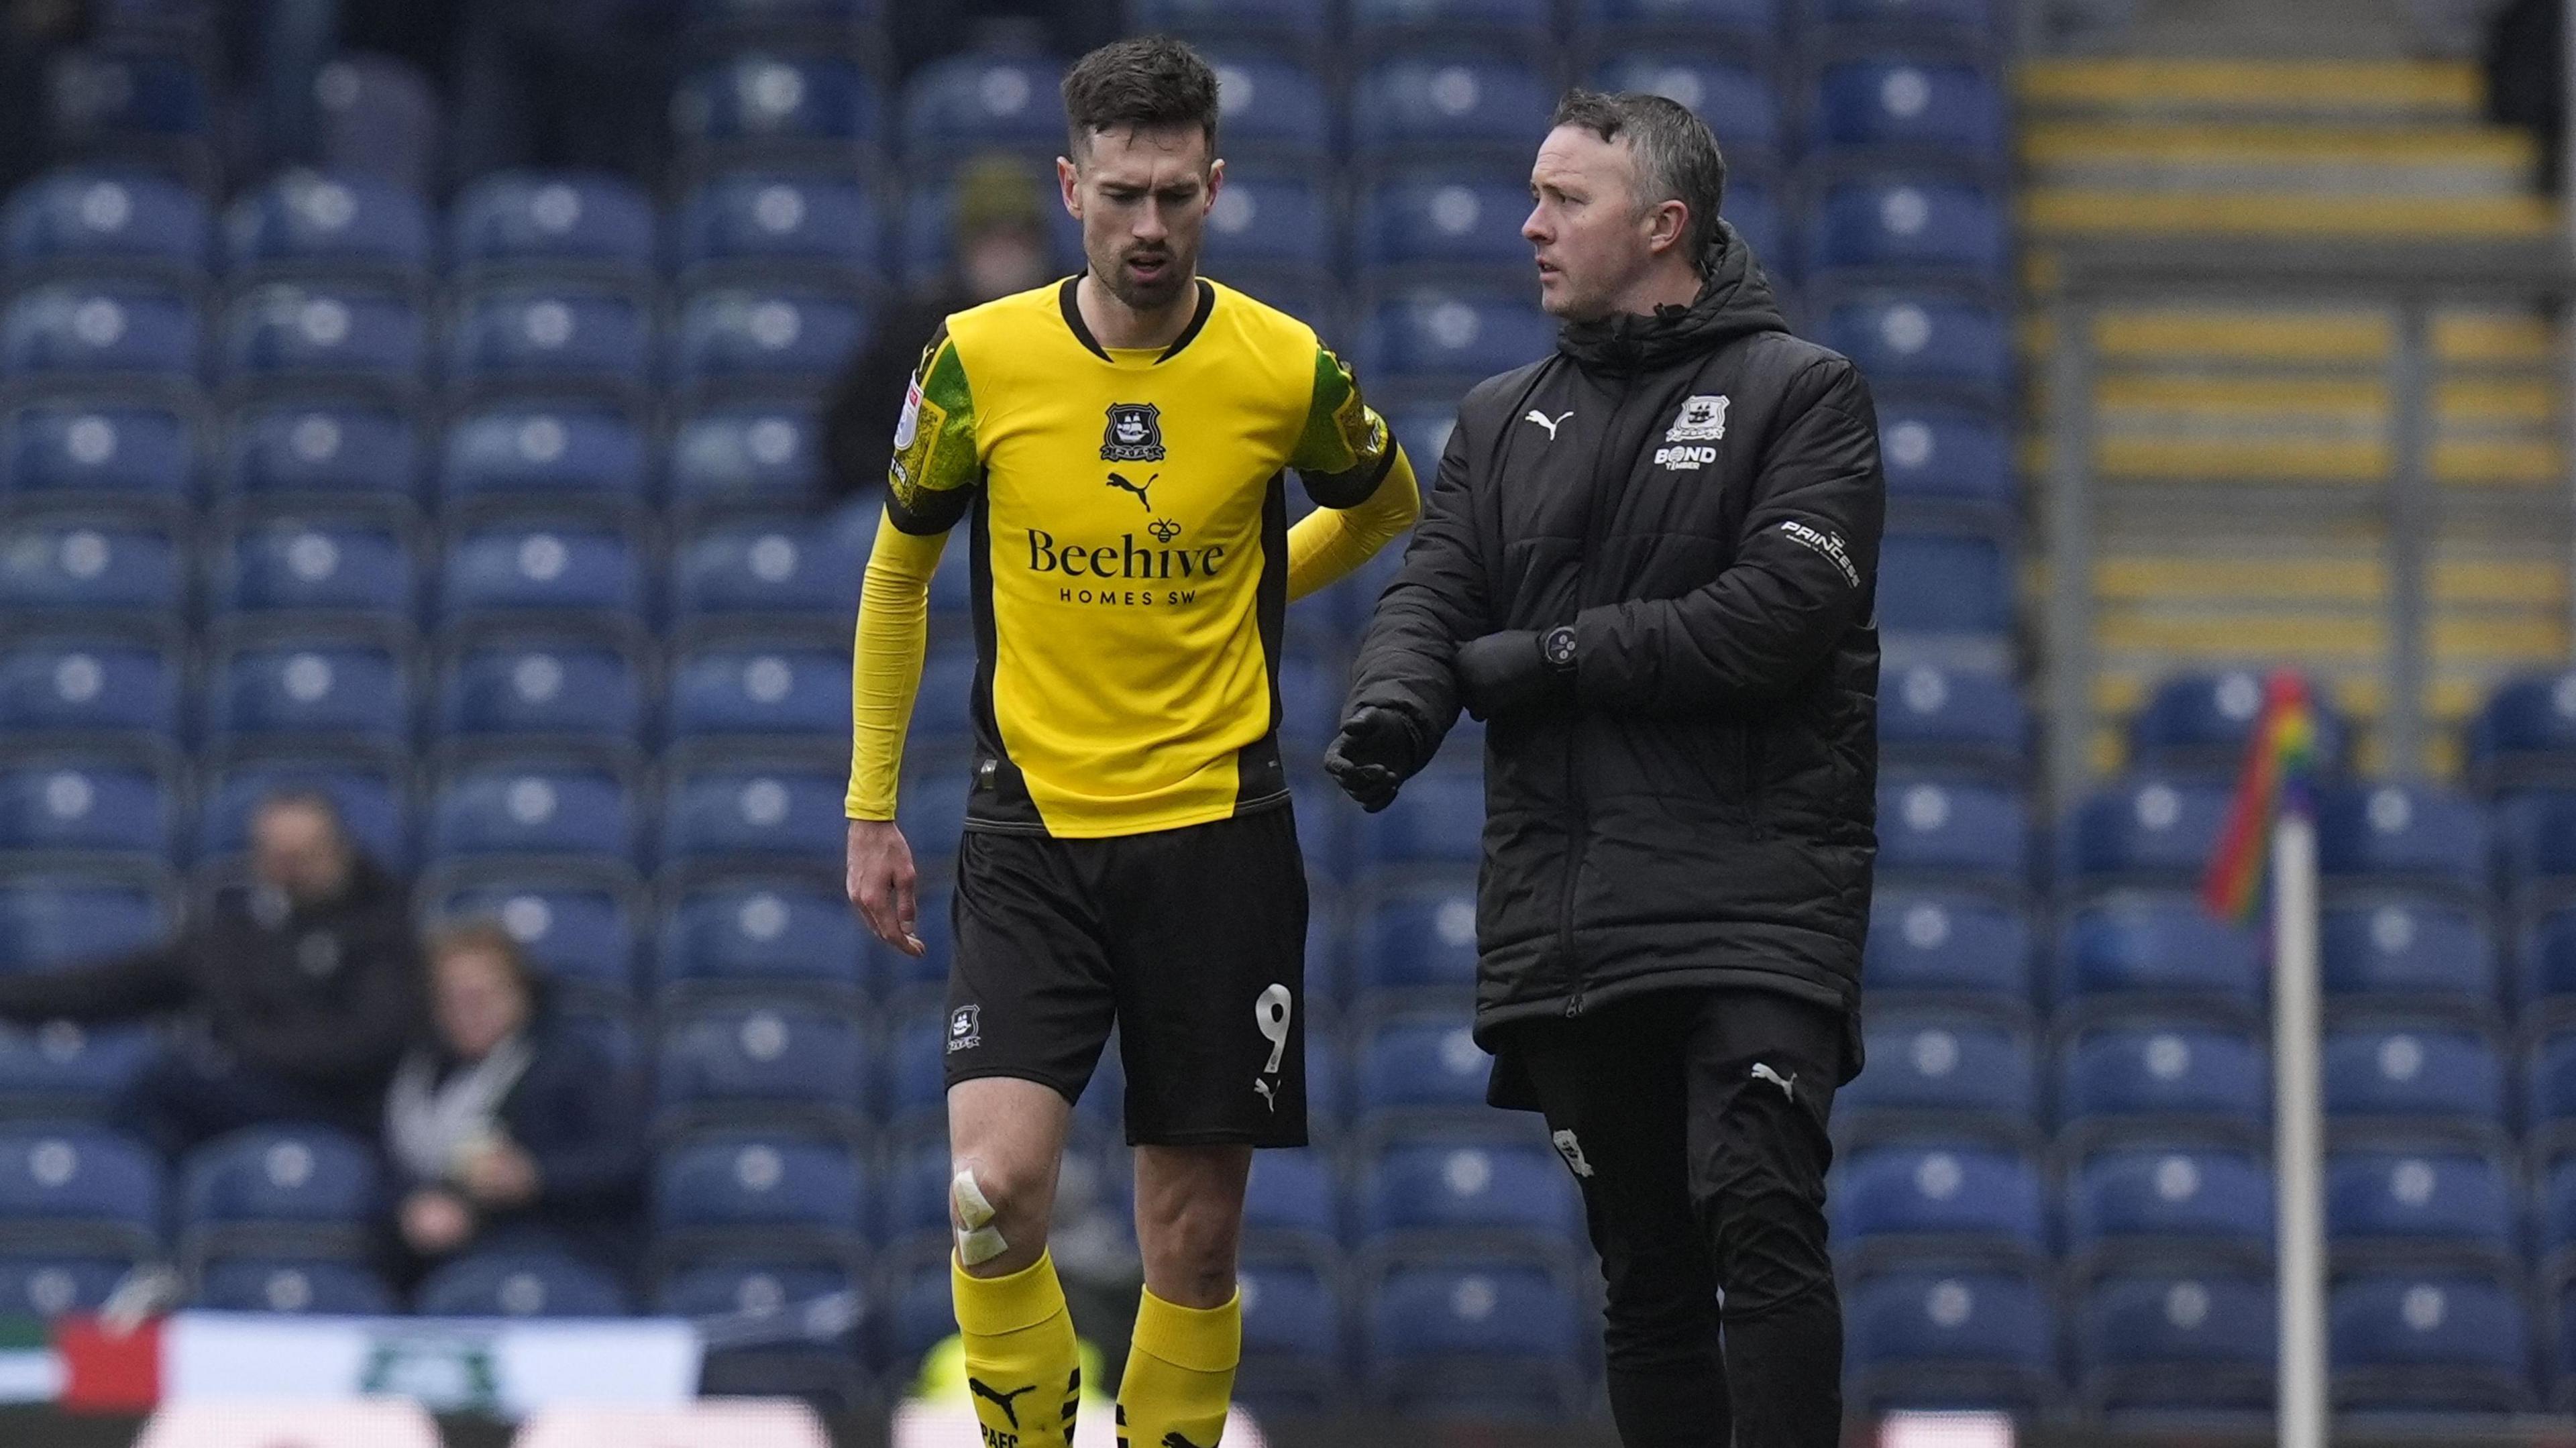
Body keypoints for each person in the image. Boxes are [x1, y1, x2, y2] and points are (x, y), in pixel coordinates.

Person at [841, 36, 1419, 1448]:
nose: (1148, 225)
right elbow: (899, 570)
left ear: (1213, 185)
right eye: (1121, 195)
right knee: (992, 1199)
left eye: (1175, 195)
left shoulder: (1284, 365)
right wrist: (870, 805)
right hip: (1032, 829)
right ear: (1070, 188)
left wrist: (1260, 571)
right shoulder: (978, 361)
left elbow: (1390, 501)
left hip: (1217, 836)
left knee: (1195, 1241)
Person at [1328, 91, 1883, 1448]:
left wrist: (1559, 654)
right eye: (1533, 195)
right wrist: (1395, 705)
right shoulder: (1500, 417)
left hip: (1755, 896)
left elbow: (1783, 612)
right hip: (1573, 909)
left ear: (1663, 225)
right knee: (1643, 1269)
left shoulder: (1802, 393)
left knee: (1758, 1206)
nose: (1530, 225)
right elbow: (1435, 592)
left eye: (1565, 200)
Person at [0, 789, 423, 1156]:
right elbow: (113, 987)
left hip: (346, 1109)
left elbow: (366, 1042)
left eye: (304, 855)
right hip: (244, 1096)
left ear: (338, 848)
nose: (290, 870)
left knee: (180, 1080)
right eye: (278, 856)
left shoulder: (385, 925)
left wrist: (250, 1047)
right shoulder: (234, 933)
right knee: (159, 1088)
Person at [383, 920, 643, 1283]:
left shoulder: (569, 1063)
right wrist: (412, 1206)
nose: (467, 1013)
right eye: (451, 1000)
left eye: (481, 997)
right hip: (431, 1267)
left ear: (520, 992)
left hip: (555, 1254)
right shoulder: (416, 1070)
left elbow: (624, 1160)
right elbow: (390, 1164)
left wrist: (534, 1176)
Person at [819, 152, 1057, 508]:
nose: (1005, 255)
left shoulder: (1077, 319)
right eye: (989, 237)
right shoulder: (918, 325)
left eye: (1017, 238)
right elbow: (848, 435)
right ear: (964, 246)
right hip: (930, 510)